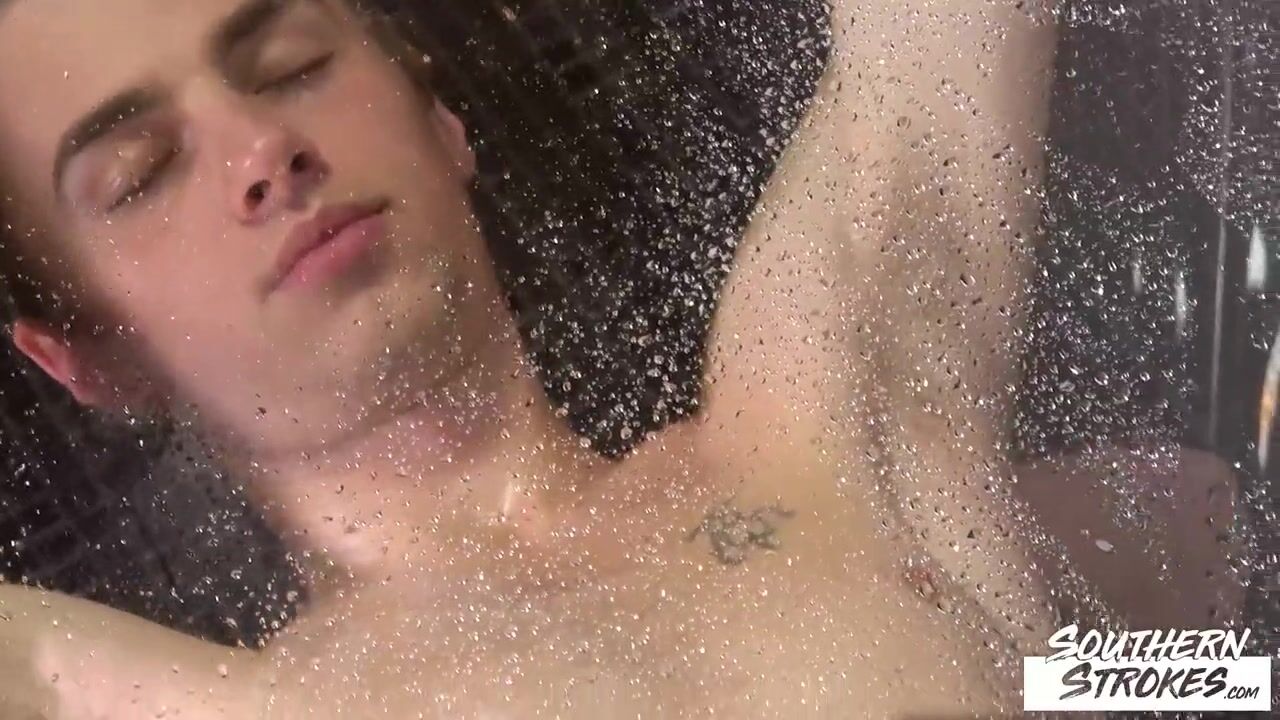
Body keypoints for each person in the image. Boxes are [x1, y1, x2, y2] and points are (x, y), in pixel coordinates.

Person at [0, 0, 1165, 716]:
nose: (263, 148)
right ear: (92, 362)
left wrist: (1193, 667)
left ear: (440, 121)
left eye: (291, 63)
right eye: (142, 174)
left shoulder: (836, 436)